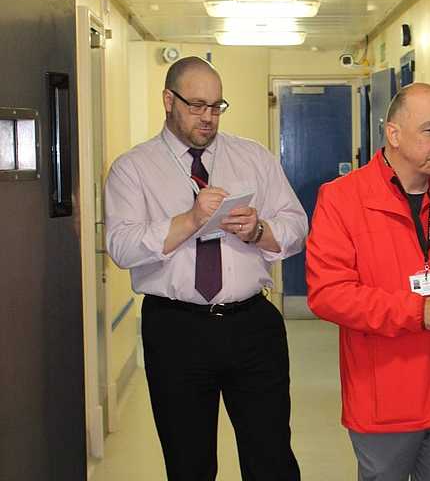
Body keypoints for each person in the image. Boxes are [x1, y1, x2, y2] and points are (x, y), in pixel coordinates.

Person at [105, 56, 306, 481]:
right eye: (197, 105)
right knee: (189, 462)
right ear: (168, 100)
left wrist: (259, 230)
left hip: (252, 324)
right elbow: (121, 246)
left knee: (271, 457)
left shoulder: (253, 157)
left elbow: (296, 225)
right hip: (176, 329)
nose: (208, 117)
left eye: (216, 106)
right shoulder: (133, 168)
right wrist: (190, 220)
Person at [306, 82, 430, 481]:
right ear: (393, 134)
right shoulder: (343, 199)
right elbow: (328, 294)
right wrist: (417, 312)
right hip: (385, 400)